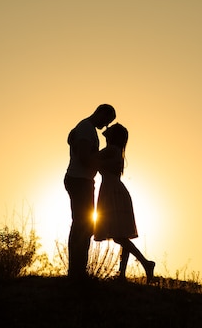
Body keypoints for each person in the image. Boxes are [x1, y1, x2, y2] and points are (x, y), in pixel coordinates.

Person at [94, 123, 155, 283]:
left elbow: (92, 158)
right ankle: (122, 273)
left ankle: (145, 263)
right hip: (116, 191)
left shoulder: (111, 150)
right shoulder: (118, 151)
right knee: (121, 234)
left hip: (112, 191)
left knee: (119, 236)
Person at [64, 104, 116, 280]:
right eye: (107, 120)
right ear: (101, 113)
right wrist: (104, 162)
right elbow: (84, 157)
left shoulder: (86, 128)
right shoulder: (86, 128)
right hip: (79, 180)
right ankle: (76, 271)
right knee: (82, 225)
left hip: (81, 180)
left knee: (82, 224)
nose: (106, 125)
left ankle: (77, 270)